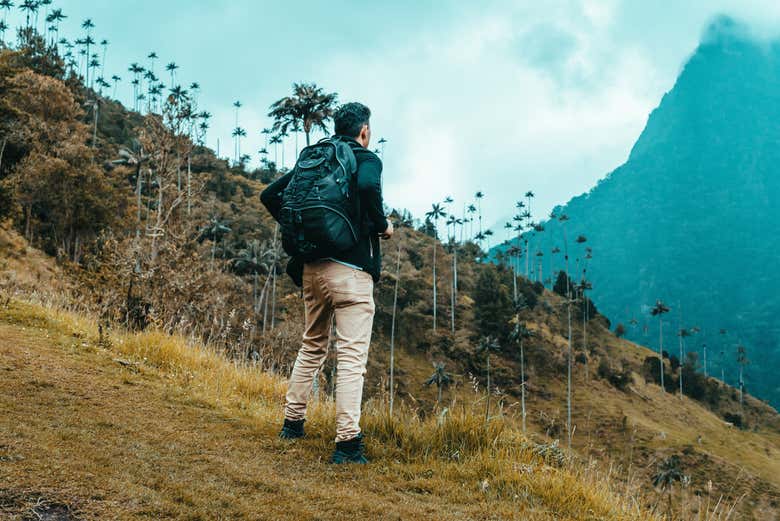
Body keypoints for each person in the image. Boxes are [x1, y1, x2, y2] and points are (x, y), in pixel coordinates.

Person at [260, 102, 393, 464]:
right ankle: (347, 444)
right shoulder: (365, 157)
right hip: (351, 272)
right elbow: (367, 186)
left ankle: (292, 424)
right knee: (351, 358)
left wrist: (299, 228)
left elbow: (270, 195)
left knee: (312, 345)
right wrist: (381, 226)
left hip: (312, 270)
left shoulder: (315, 157)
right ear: (364, 130)